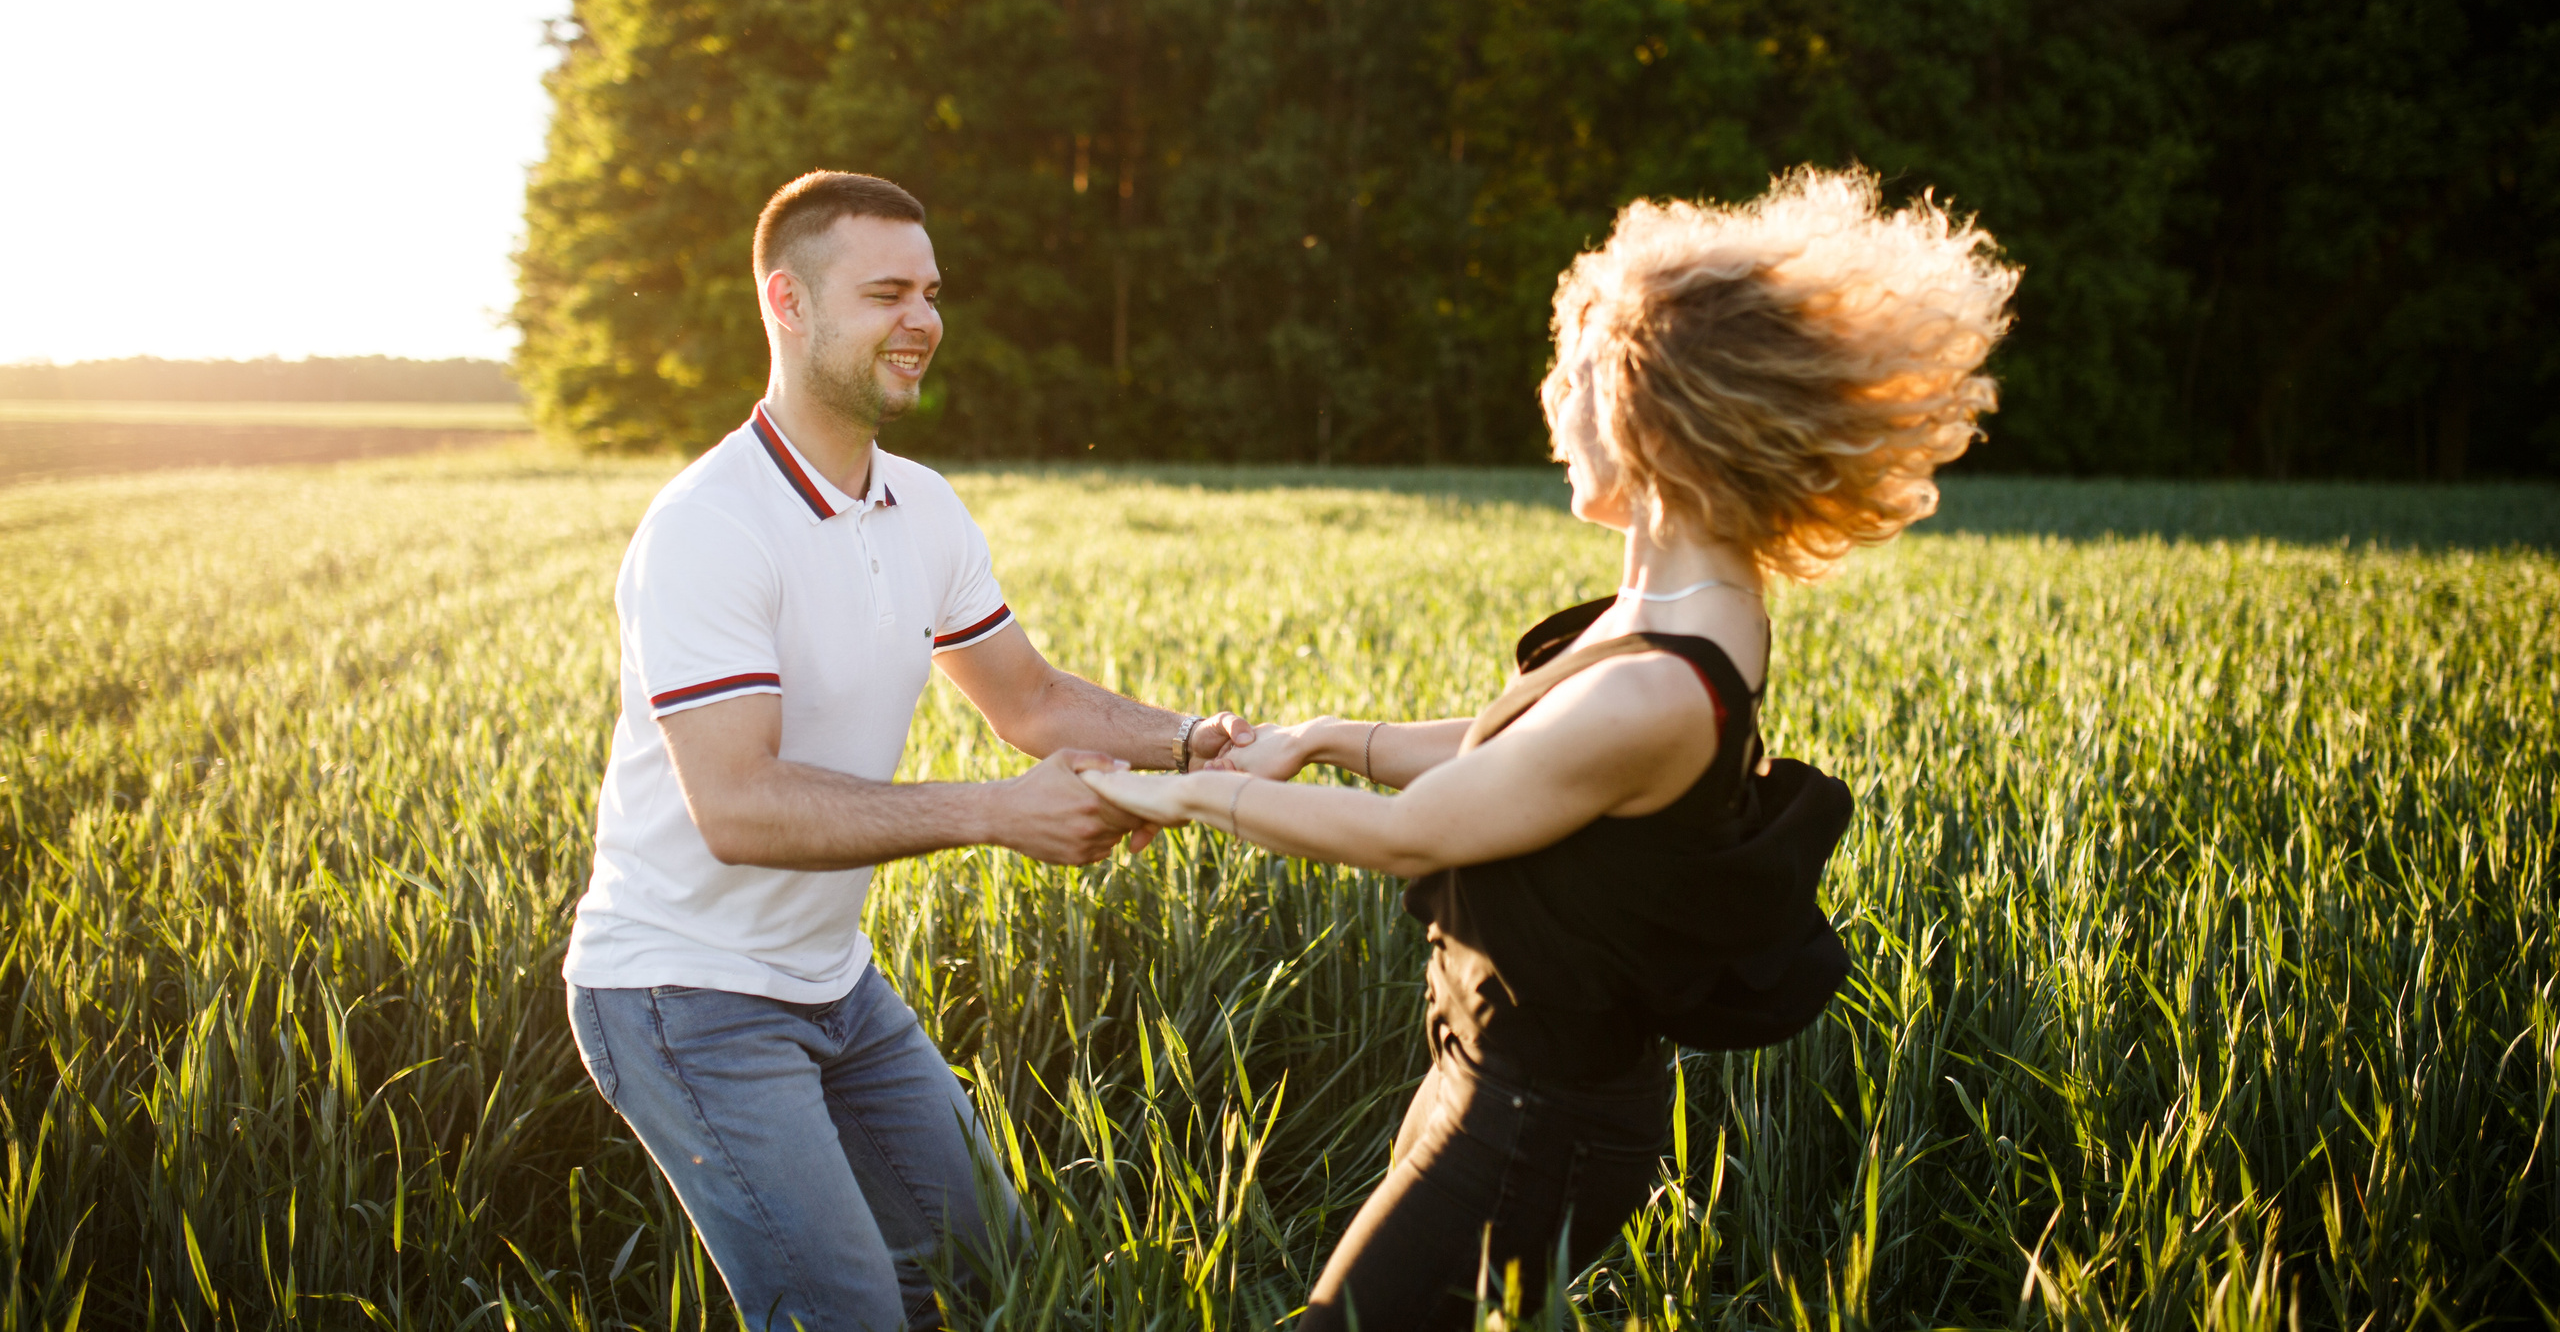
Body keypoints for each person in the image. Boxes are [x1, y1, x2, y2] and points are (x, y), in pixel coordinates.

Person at [1078, 168, 2018, 1330]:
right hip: (1481, 1078)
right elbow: (1505, 762)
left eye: (1568, 376)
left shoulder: (1666, 687)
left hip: (1535, 1125)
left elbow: (1411, 835)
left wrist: (1176, 799)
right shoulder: (1669, 602)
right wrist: (1320, 738)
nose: (1547, 403)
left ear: (1644, 415)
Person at [563, 170, 1260, 1332]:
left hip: (834, 985)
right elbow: (737, 806)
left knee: (998, 1280)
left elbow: (1030, 698)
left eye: (931, 291)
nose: (924, 320)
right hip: (682, 995)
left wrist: (1193, 745)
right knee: (844, 1314)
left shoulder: (922, 505)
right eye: (887, 292)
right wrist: (995, 813)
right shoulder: (708, 526)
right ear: (786, 303)